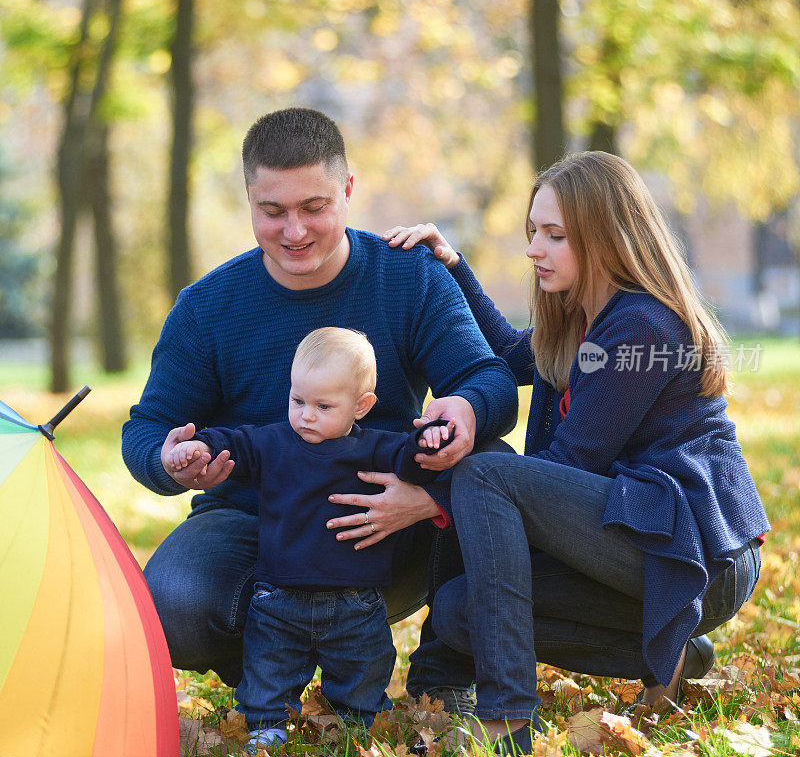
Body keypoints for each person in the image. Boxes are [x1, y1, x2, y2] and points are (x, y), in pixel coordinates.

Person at [121, 107, 518, 710]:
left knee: (486, 463)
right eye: (272, 211)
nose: (295, 232)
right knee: (173, 601)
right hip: (256, 524)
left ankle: (443, 677)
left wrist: (461, 415)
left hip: (387, 520)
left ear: (348, 190)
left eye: (314, 207)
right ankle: (274, 661)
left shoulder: (408, 277)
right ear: (250, 199)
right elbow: (147, 427)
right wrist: (166, 459)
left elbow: (486, 376)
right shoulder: (207, 307)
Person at [385, 151, 768, 754]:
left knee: (483, 472)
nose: (535, 248)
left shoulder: (642, 327)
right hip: (636, 536)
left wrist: (435, 497)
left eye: (555, 235)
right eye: (533, 231)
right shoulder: (580, 322)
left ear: (607, 237)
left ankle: (508, 717)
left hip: (695, 550)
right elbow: (513, 354)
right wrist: (452, 265)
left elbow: (568, 465)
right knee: (462, 613)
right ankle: (672, 649)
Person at [164, 328, 455, 753]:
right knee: (268, 667)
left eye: (323, 406)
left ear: (362, 406)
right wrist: (200, 447)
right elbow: (233, 442)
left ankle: (357, 724)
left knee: (363, 669)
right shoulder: (273, 442)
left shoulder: (374, 448)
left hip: (355, 601)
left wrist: (429, 442)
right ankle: (265, 727)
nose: (306, 416)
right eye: (298, 401)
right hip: (278, 595)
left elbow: (413, 462)